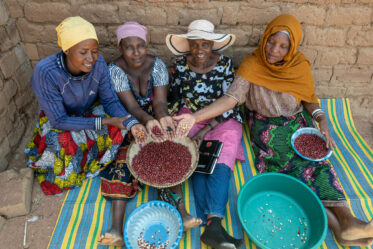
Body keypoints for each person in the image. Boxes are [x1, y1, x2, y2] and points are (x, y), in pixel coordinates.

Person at [174, 14, 373, 247]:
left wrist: (323, 121)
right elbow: (232, 99)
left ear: (292, 48)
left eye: (283, 46)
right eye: (271, 42)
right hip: (265, 127)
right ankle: (343, 228)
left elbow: (309, 98)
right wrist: (194, 118)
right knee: (291, 173)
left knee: (319, 167)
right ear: (264, 38)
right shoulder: (252, 65)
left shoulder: (299, 66)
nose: (274, 50)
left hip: (297, 125)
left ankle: (347, 222)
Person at [97, 21, 200, 247]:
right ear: (120, 48)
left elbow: (161, 103)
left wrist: (161, 119)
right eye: (128, 47)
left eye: (140, 46)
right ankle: (115, 228)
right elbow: (133, 108)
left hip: (154, 113)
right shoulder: (114, 70)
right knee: (122, 160)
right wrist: (146, 123)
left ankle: (182, 213)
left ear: (147, 44)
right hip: (128, 118)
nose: (136, 53)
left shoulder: (158, 65)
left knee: (168, 150)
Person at [24, 16, 147, 196]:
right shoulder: (45, 72)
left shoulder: (98, 64)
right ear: (67, 50)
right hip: (60, 120)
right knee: (63, 142)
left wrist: (131, 124)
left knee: (121, 127)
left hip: (88, 112)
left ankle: (91, 158)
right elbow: (58, 120)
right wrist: (105, 122)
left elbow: (110, 101)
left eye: (94, 51)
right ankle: (77, 163)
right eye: (83, 52)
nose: (91, 58)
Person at [165, 19, 245, 249]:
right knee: (191, 156)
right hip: (189, 115)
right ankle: (212, 225)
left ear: (213, 45)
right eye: (195, 44)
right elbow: (176, 98)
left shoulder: (225, 64)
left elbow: (228, 103)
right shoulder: (180, 64)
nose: (200, 51)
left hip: (221, 119)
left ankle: (214, 223)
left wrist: (206, 130)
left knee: (222, 158)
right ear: (188, 44)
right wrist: (170, 122)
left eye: (206, 45)